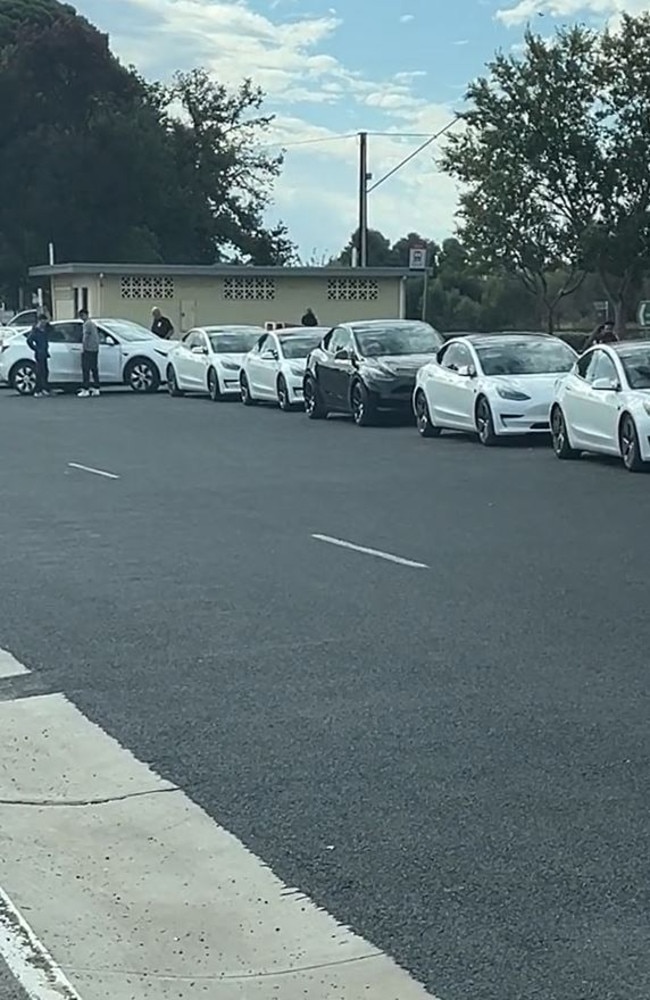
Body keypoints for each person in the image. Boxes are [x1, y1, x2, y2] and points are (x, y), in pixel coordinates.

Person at [26, 314, 51, 397]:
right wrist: (35, 348)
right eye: (43, 321)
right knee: (40, 372)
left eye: (45, 321)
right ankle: (38, 390)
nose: (44, 323)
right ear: (39, 321)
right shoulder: (36, 331)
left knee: (45, 371)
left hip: (44, 352)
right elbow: (29, 340)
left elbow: (52, 328)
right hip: (39, 353)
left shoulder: (45, 329)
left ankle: (44, 388)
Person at [77, 309, 100, 397]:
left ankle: (85, 389)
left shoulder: (87, 324)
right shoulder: (93, 324)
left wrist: (83, 347)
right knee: (94, 369)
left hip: (88, 349)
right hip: (94, 349)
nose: (81, 318)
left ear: (85, 315)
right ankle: (96, 388)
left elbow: (85, 336)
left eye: (82, 316)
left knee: (86, 369)